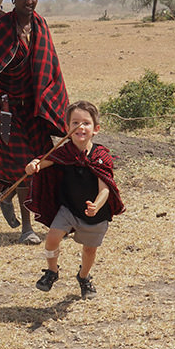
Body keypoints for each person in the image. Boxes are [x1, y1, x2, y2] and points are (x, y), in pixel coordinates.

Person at [0, 0, 68, 244]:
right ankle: (27, 228)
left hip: (34, 109)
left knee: (42, 163)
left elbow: (51, 67)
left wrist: (56, 104)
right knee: (24, 166)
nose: (29, 1)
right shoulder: (0, 27)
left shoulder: (41, 25)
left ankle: (6, 194)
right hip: (8, 110)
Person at [24, 100, 125, 298]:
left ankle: (83, 277)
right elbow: (42, 163)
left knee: (89, 250)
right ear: (67, 128)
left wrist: (96, 206)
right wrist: (33, 165)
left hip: (96, 214)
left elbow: (105, 188)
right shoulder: (64, 151)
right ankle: (52, 272)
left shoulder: (101, 156)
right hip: (68, 208)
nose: (80, 127)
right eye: (75, 123)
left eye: (86, 123)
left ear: (95, 129)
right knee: (52, 238)